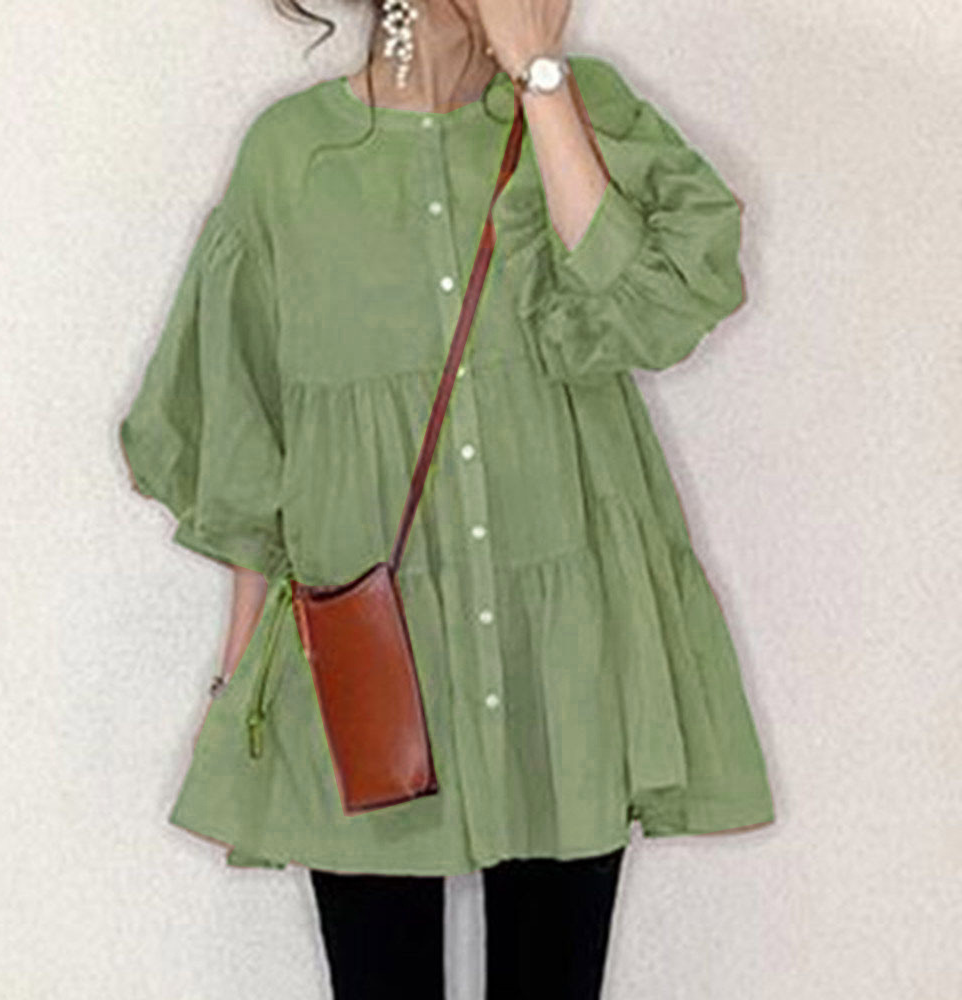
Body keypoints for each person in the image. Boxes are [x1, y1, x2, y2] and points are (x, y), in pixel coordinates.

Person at [118, 0, 776, 995]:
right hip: (370, 665)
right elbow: (245, 427)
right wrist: (241, 683)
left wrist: (541, 77)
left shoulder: (580, 111)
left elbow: (646, 310)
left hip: (562, 655)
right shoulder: (291, 158)